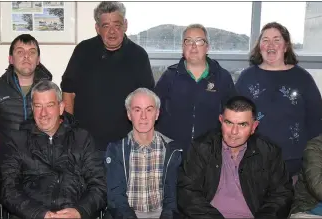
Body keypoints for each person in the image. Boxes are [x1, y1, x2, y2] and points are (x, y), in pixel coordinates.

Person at [0, 80, 106, 219]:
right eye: (38, 106)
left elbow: (99, 186)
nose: (43, 113)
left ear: (61, 107)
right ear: (32, 108)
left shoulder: (82, 139)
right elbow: (8, 189)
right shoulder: (17, 141)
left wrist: (79, 212)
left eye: (49, 105)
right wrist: (39, 214)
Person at [177, 96, 293, 218]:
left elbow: (281, 195)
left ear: (254, 127)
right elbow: (187, 193)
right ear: (221, 121)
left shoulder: (269, 152)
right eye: (229, 123)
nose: (234, 131)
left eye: (242, 125)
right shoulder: (201, 148)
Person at [60, 1, 155, 151]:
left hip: (126, 145)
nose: (112, 31)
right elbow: (68, 92)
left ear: (125, 25)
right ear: (97, 28)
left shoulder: (139, 55)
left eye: (117, 25)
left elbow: (148, 100)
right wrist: (70, 131)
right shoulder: (83, 51)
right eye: (106, 26)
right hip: (86, 144)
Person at [235, 22, 322, 178]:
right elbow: (234, 117)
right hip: (253, 160)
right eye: (265, 40)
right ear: (259, 46)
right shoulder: (246, 78)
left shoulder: (303, 78)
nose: (271, 45)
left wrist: (314, 159)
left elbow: (315, 121)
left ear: (286, 46)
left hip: (293, 163)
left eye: (276, 40)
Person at [155, 24, 237, 149]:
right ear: (183, 47)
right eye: (188, 41)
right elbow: (155, 111)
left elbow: (232, 115)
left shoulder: (222, 78)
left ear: (207, 47)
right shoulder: (169, 76)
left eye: (199, 41)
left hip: (210, 152)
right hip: (174, 151)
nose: (193, 46)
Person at [105, 88, 183, 219]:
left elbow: (172, 198)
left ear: (157, 114)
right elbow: (116, 198)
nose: (143, 116)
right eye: (137, 110)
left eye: (149, 109)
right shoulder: (116, 150)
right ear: (129, 114)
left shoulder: (171, 150)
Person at [0, 34, 53, 158]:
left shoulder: (50, 90)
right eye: (20, 52)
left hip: (41, 167)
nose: (26, 56)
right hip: (4, 166)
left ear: (38, 60)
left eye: (32, 52)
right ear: (11, 59)